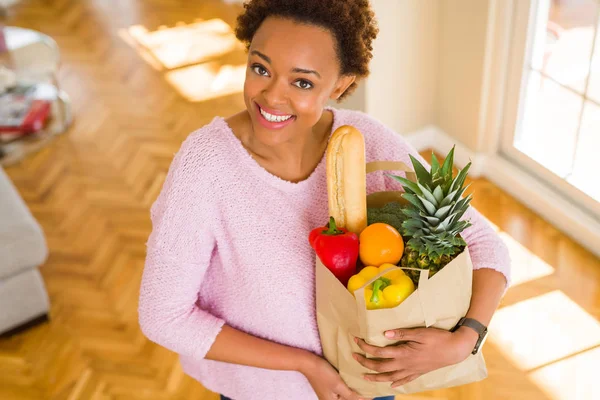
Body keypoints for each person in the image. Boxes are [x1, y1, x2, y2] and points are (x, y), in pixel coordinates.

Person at [138, 1, 511, 399]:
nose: (271, 98)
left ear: (339, 85)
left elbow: (486, 245)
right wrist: (306, 365)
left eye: (302, 82)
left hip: (367, 386)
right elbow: (164, 316)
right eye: (260, 68)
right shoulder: (206, 164)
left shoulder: (368, 141)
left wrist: (466, 338)